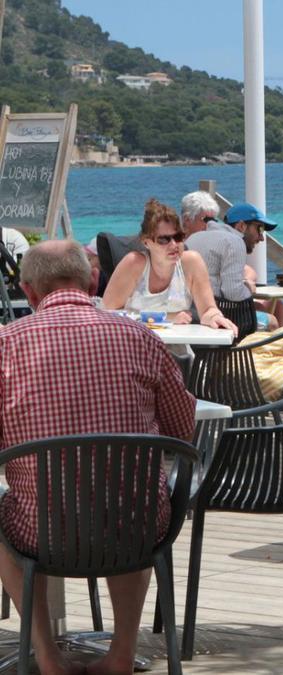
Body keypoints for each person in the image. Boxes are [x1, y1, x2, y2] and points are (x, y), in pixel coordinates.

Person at [0, 240, 196, 675]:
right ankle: (121, 654)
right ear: (92, 279)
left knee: (6, 519)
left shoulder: (4, 347)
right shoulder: (141, 338)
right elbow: (183, 429)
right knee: (128, 503)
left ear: (29, 293)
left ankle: (47, 657)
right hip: (136, 528)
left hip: (39, 531)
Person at [101, 198, 238, 334]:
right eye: (164, 239)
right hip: (134, 345)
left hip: (177, 349)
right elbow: (106, 314)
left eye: (178, 237)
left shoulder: (191, 263)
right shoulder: (134, 264)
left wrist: (215, 317)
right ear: (146, 242)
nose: (174, 245)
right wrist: (166, 318)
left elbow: (208, 309)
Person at [185, 201, 276, 304]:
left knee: (276, 306)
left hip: (189, 309)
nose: (261, 238)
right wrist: (249, 288)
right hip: (216, 313)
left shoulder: (194, 237)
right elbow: (233, 294)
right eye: (260, 229)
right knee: (272, 317)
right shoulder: (235, 242)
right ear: (241, 226)